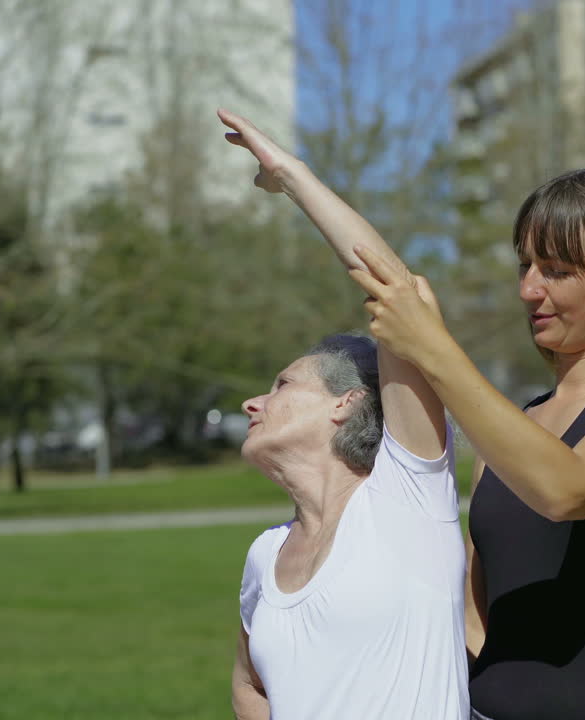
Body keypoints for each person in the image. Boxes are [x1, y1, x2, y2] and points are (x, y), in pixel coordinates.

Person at [348, 168, 585, 720]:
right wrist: (294, 178)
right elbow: (474, 608)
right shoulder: (519, 426)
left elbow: (566, 489)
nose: (528, 289)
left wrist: (434, 348)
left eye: (558, 270)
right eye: (525, 265)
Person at [218, 110, 468, 720]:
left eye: (281, 385)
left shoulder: (405, 498)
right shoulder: (264, 556)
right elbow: (250, 685)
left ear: (347, 401)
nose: (253, 403)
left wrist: (292, 178)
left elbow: (396, 290)